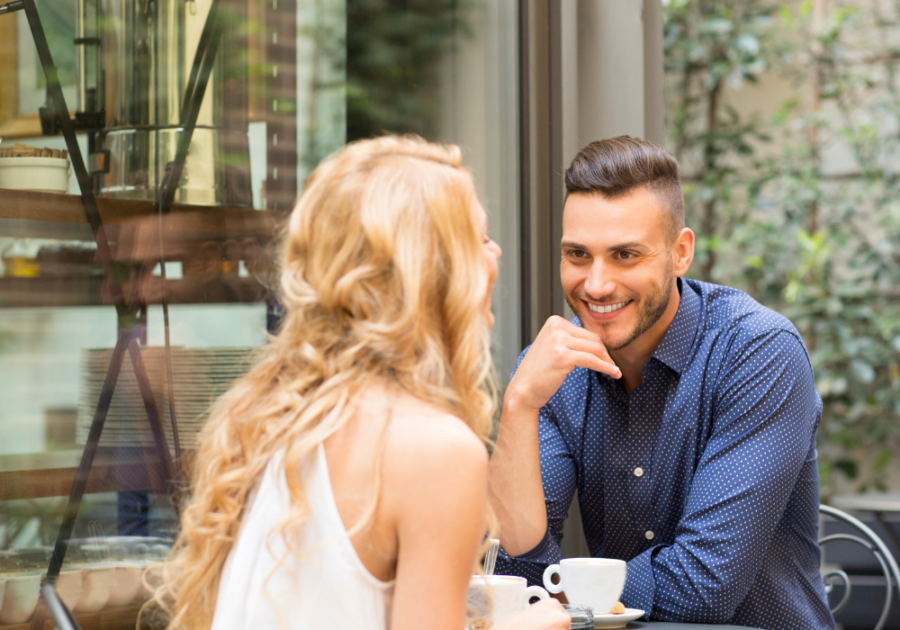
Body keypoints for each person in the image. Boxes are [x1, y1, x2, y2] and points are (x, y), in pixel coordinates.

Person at [154, 137, 570, 630]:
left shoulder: (266, 418)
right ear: (433, 272)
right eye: (479, 239)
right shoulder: (435, 449)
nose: (496, 252)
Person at [488, 136, 836, 629]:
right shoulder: (548, 372)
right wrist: (519, 403)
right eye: (578, 254)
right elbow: (511, 573)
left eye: (626, 255)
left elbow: (701, 588)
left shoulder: (757, 351)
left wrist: (561, 588)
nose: (596, 284)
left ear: (681, 252)